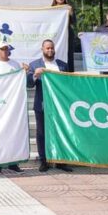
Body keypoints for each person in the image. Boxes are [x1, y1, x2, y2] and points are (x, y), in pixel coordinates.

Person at [26, 40, 73, 173]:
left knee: (61, 131)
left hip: (60, 106)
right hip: (42, 105)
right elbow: (29, 84)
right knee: (42, 133)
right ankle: (44, 160)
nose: (50, 50)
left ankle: (61, 160)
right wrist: (35, 75)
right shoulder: (34, 65)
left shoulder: (62, 65)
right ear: (42, 49)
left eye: (52, 48)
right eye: (47, 48)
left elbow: (69, 84)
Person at [0, 41, 25, 174]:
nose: (5, 51)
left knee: (13, 132)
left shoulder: (15, 64)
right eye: (2, 49)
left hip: (12, 103)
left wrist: (24, 71)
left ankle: (13, 163)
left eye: (6, 49)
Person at [51, 0, 76, 72]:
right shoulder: (51, 9)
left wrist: (71, 13)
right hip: (56, 34)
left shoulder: (68, 8)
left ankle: (70, 73)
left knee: (69, 54)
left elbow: (74, 22)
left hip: (67, 34)